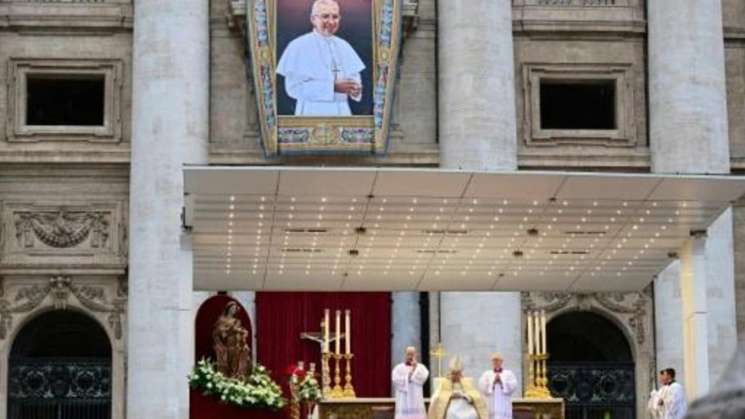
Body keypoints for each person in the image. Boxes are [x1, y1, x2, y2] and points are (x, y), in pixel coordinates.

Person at [276, 0, 365, 116]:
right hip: (311, 112)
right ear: (313, 19)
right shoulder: (298, 45)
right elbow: (293, 88)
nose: (331, 21)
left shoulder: (344, 46)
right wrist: (332, 87)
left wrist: (356, 89)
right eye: (325, 16)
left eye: (335, 17)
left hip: (342, 113)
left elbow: (355, 81)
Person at [212, 301, 252, 381]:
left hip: (237, 344)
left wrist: (243, 333)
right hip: (227, 344)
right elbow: (218, 332)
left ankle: (236, 378)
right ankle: (226, 378)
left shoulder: (237, 321)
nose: (233, 310)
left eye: (235, 309)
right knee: (227, 362)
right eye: (232, 308)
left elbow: (241, 330)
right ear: (228, 308)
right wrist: (229, 330)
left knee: (236, 362)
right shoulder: (222, 319)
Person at [392, 346, 430, 419]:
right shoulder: (398, 368)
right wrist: (408, 376)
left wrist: (415, 368)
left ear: (416, 355)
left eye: (412, 354)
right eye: (408, 354)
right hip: (403, 402)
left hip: (416, 400)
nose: (410, 356)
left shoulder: (421, 368)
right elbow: (396, 381)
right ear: (405, 354)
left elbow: (423, 379)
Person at [478, 353, 518, 419]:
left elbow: (513, 385)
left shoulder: (508, 373)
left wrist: (501, 381)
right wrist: (493, 382)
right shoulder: (487, 374)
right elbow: (482, 386)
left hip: (504, 404)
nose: (495, 362)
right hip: (491, 403)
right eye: (494, 360)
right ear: (492, 362)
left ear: (501, 362)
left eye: (497, 360)